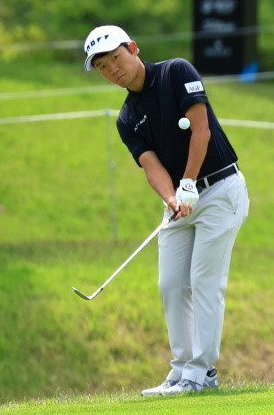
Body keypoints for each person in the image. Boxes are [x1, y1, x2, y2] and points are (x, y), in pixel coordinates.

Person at [84, 25, 250, 396]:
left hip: (220, 189)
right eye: (103, 67)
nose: (113, 69)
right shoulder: (126, 118)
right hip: (181, 200)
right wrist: (171, 197)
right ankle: (181, 370)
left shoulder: (177, 71)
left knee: (205, 281)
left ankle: (202, 373)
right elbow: (151, 164)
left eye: (116, 58)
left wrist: (188, 183)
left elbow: (201, 130)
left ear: (133, 48)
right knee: (171, 284)